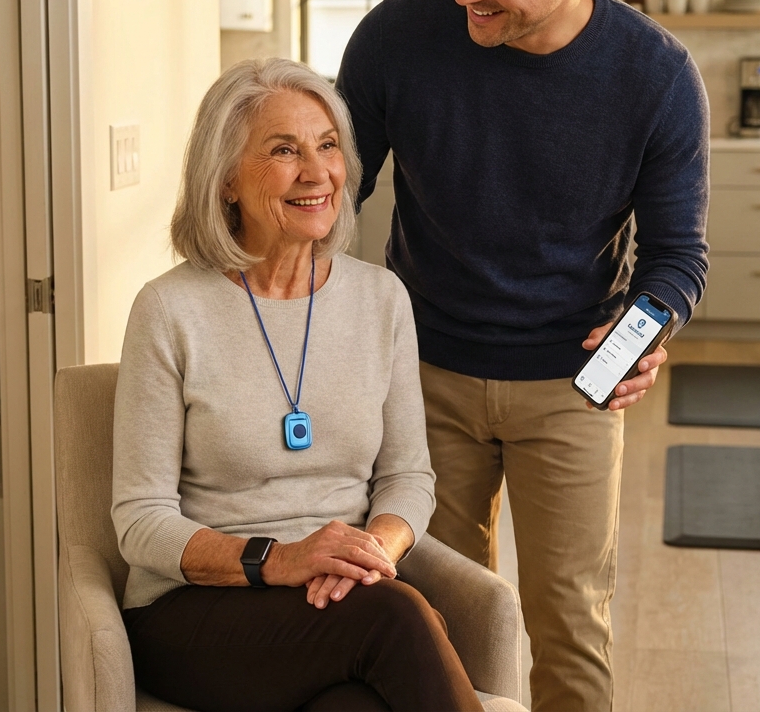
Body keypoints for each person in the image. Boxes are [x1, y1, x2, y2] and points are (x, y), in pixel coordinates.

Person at [335, 0, 710, 711]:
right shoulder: (397, 36)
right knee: (440, 616)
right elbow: (334, 193)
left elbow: (676, 259)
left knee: (569, 623)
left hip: (573, 385)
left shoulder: (654, 77)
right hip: (422, 374)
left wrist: (646, 330)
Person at [112, 57, 484, 712]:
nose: (318, 174)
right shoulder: (169, 310)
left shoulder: (381, 299)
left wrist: (370, 555)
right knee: (396, 621)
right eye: (285, 151)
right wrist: (276, 560)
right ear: (226, 179)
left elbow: (406, 478)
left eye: (328, 146)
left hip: (342, 600)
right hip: (196, 608)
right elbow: (139, 522)